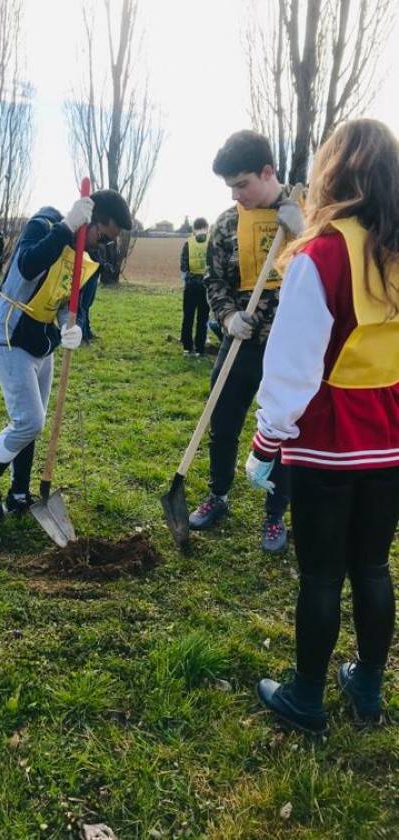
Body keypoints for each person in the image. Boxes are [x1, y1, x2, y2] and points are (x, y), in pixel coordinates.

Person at [244, 119, 399, 734]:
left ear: (334, 171)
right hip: (390, 442)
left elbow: (291, 368)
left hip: (329, 442)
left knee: (320, 574)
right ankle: (367, 684)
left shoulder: (321, 252)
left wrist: (266, 442)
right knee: (372, 566)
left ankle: (306, 696)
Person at [0, 189, 132, 520]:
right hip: (10, 335)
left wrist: (73, 328)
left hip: (43, 342)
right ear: (89, 220)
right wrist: (66, 228)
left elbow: (76, 305)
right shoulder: (44, 226)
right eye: (103, 237)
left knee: (31, 424)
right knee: (29, 420)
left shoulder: (88, 259)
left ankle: (17, 493)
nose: (103, 246)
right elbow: (28, 266)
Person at [190, 130, 301, 552]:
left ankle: (275, 515)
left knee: (281, 433)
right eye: (230, 187)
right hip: (241, 343)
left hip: (288, 348)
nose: (237, 195)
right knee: (222, 420)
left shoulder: (305, 211)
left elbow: (333, 270)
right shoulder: (226, 224)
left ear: (268, 171)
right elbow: (213, 277)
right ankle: (217, 493)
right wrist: (228, 315)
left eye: (243, 184)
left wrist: (303, 233)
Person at [179, 217, 210, 356]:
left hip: (191, 286)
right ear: (207, 227)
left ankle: (187, 347)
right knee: (203, 318)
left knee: (188, 317)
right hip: (206, 286)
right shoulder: (211, 243)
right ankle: (200, 348)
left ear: (194, 228)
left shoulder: (188, 243)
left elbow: (183, 266)